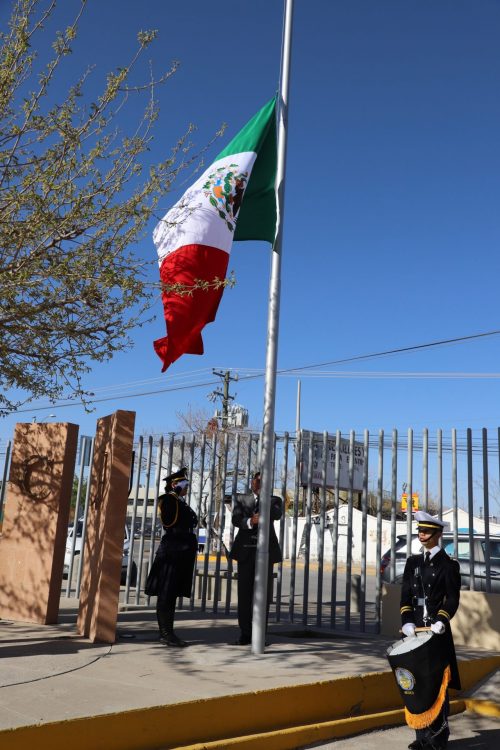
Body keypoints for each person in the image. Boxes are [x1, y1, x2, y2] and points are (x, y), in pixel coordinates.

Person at [400, 510, 461, 750]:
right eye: (420, 531)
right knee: (417, 685)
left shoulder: (449, 565)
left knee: (437, 686)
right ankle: (421, 737)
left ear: (437, 534)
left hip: (436, 631)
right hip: (415, 631)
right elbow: (405, 596)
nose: (421, 534)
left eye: (426, 531)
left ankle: (437, 738)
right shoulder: (412, 562)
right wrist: (406, 620)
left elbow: (452, 599)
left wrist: (442, 620)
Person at [145, 467, 198, 647]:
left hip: (181, 550)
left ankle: (168, 631)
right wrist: (173, 494)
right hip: (172, 551)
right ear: (175, 485)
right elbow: (169, 521)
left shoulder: (180, 501)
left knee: (172, 592)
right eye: (185, 485)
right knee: (166, 592)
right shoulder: (168, 500)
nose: (187, 488)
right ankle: (166, 633)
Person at [228, 471, 282, 645]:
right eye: (256, 481)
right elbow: (236, 519)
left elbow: (277, 515)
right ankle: (245, 633)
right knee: (244, 595)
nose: (258, 484)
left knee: (263, 596)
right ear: (251, 482)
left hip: (266, 553)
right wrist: (250, 521)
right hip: (245, 552)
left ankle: (260, 634)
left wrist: (264, 499)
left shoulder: (274, 500)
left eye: (262, 481)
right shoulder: (241, 499)